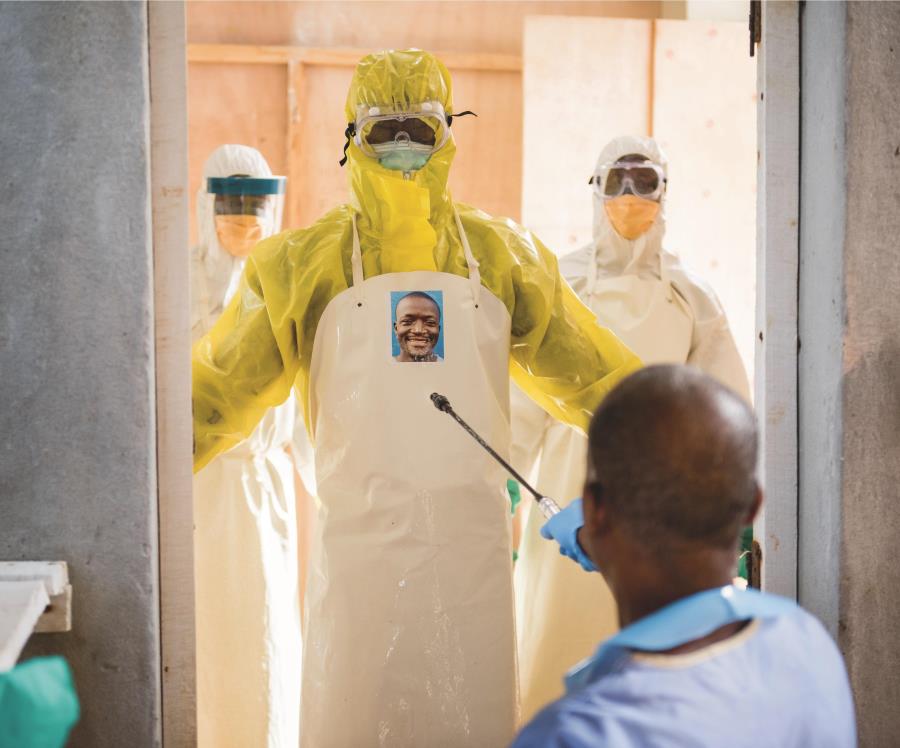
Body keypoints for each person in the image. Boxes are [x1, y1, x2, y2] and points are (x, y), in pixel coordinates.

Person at [191, 49, 641, 747]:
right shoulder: (298, 268)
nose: (402, 146)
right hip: (356, 569)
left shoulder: (504, 259)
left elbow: (601, 382)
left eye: (420, 129)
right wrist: (118, 493)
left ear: (447, 134)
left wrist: (684, 480)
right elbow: (209, 401)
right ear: (352, 139)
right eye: (383, 130)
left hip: (472, 565)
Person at [511, 134, 750, 720]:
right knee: (557, 637)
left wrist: (734, 511)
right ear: (595, 190)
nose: (629, 196)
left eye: (644, 182)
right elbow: (522, 401)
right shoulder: (559, 282)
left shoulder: (690, 295)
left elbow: (724, 406)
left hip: (665, 489)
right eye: (616, 181)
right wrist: (506, 486)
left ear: (665, 192)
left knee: (655, 647)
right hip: (570, 485)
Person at [513, 365, 856, 747]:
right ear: (752, 506)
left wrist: (600, 535)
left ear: (594, 508)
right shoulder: (807, 642)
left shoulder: (574, 734)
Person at [191, 145, 302, 748]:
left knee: (259, 633)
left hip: (261, 488)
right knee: (198, 635)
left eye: (255, 205)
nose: (243, 218)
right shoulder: (175, 282)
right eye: (230, 205)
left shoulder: (286, 289)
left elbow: (309, 403)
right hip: (190, 491)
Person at [393, 291, 442, 362]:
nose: (418, 330)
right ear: (396, 329)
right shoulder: (381, 369)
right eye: (407, 322)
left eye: (430, 322)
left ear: (438, 329)